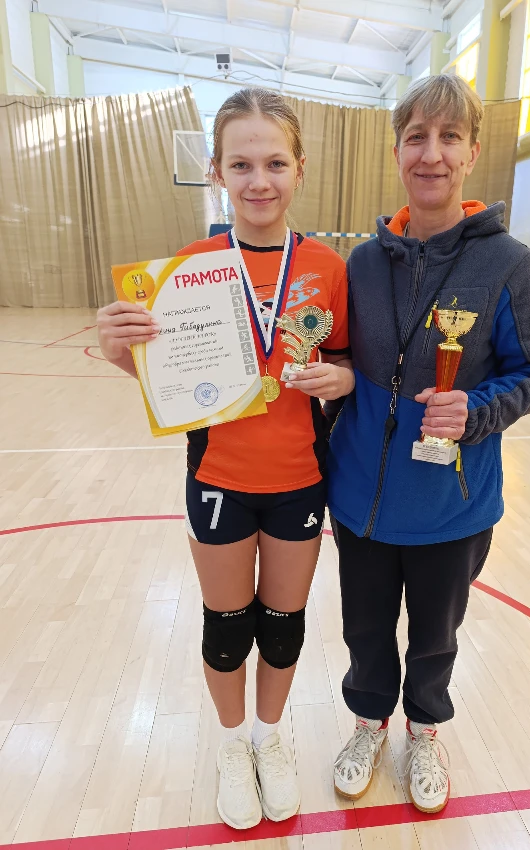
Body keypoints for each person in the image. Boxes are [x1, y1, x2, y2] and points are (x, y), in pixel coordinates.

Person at [97, 88, 354, 830]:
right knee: (228, 623)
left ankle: (271, 740)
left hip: (300, 480)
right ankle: (233, 744)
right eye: (241, 164)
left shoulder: (328, 268)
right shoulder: (189, 269)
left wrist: (340, 380)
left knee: (284, 623)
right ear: (216, 170)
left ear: (299, 169)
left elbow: (343, 362)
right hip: (218, 480)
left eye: (274, 163)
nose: (258, 180)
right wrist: (121, 351)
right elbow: (169, 381)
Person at [325, 74, 530, 814]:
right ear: (397, 151)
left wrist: (476, 409)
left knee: (435, 637)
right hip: (361, 498)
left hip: (452, 505)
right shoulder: (362, 263)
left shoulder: (510, 264)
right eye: (416, 138)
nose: (431, 154)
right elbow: (337, 357)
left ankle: (424, 730)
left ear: (472, 153)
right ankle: (369, 723)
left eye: (449, 137)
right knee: (365, 629)